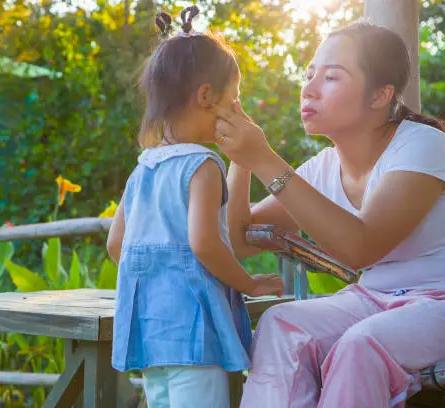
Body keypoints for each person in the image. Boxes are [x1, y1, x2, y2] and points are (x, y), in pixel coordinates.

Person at [214, 22, 445, 408]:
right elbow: (239, 240)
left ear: (381, 95)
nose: (309, 89)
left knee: (362, 346)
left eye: (331, 77)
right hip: (375, 299)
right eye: (310, 75)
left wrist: (264, 159)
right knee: (282, 325)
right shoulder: (323, 168)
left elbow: (360, 247)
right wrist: (242, 161)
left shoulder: (423, 147)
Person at [106, 6, 283, 408]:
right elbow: (204, 243)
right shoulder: (202, 165)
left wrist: (158, 278)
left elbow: (117, 245)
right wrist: (250, 284)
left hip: (151, 338)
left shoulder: (143, 168)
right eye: (233, 101)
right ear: (206, 96)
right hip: (194, 335)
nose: (236, 111)